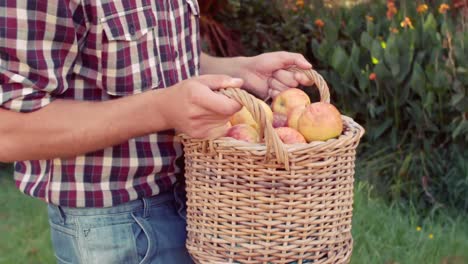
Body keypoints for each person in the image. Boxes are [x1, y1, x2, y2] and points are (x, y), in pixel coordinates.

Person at [0, 1, 313, 263]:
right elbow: (9, 131)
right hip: (115, 226)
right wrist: (162, 110)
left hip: (197, 198)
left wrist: (237, 71)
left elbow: (155, 59)